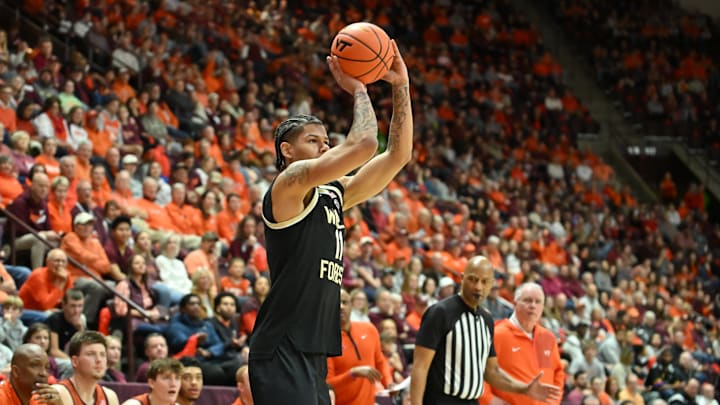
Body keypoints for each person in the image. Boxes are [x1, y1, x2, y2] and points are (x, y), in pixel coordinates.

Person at [249, 43, 413, 405]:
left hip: (312, 350)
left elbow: (397, 155)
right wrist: (359, 89)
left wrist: (401, 86)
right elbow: (365, 143)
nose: (324, 148)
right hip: (281, 348)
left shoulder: (335, 194)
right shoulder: (288, 186)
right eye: (312, 141)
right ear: (287, 151)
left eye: (326, 142)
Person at [410, 256, 561, 405]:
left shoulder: (487, 320)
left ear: (491, 284)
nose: (478, 287)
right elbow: (420, 367)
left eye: (484, 281)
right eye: (473, 279)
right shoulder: (440, 312)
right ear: (462, 278)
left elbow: (492, 372)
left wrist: (525, 389)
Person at [482, 283, 565, 405]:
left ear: (543, 307)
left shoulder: (547, 337)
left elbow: (558, 372)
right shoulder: (497, 334)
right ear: (515, 304)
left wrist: (554, 401)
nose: (533, 306)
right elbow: (479, 372)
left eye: (538, 302)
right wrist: (490, 400)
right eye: (527, 300)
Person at [327, 289, 392, 405]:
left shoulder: (369, 329)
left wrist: (389, 382)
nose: (341, 307)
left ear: (351, 305)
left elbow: (380, 361)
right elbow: (328, 384)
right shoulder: (326, 340)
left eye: (345, 302)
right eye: (336, 303)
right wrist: (352, 373)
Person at [53, 330, 119, 405]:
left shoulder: (110, 397)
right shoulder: (58, 394)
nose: (99, 360)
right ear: (75, 361)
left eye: (102, 354)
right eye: (90, 354)